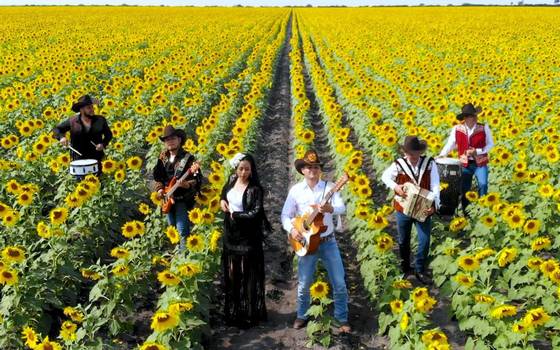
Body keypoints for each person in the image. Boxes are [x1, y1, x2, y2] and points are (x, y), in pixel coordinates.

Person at [280, 150, 350, 333]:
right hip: (306, 243)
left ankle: (341, 318)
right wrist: (293, 229)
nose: (312, 170)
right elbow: (285, 215)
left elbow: (341, 207)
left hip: (328, 242)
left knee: (339, 282)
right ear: (302, 170)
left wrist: (330, 208)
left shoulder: (330, 187)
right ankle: (302, 315)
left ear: (320, 170)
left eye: (316, 167)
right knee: (303, 284)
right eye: (309, 167)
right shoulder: (295, 191)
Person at [219, 153, 270, 328]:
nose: (243, 172)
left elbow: (255, 212)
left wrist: (235, 214)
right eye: (241, 168)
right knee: (233, 274)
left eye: (247, 169)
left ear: (252, 169)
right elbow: (223, 194)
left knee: (248, 274)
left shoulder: (255, 189)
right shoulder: (232, 180)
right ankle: (235, 311)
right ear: (236, 169)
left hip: (248, 237)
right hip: (231, 235)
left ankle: (250, 313)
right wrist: (222, 202)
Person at [381, 136, 440, 285]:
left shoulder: (429, 164)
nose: (413, 157)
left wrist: (434, 205)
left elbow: (435, 185)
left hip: (423, 208)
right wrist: (395, 187)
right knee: (403, 240)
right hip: (403, 209)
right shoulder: (399, 164)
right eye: (410, 154)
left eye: (416, 154)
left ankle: (420, 269)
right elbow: (385, 177)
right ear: (405, 153)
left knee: (425, 240)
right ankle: (406, 269)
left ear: (420, 152)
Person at [153, 125, 202, 249]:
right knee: (172, 230)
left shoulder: (188, 158)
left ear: (179, 140)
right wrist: (159, 189)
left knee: (182, 230)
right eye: (167, 139)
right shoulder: (162, 157)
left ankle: (184, 257)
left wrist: (186, 184)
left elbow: (197, 179)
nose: (170, 141)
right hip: (167, 198)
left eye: (173, 138)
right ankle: (176, 256)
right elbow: (157, 176)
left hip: (182, 199)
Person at [439, 103, 494, 212]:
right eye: (471, 116)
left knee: (483, 184)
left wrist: (478, 151)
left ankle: (483, 209)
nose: (474, 118)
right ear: (465, 118)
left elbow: (490, 144)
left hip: (480, 163)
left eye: (475, 115)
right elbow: (450, 143)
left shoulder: (483, 127)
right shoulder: (457, 129)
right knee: (464, 189)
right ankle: (466, 211)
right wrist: (442, 154)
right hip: (465, 164)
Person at [53, 94, 113, 175]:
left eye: (92, 107)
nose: (92, 109)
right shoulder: (72, 121)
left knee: (99, 184)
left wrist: (103, 144)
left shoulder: (100, 120)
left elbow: (108, 135)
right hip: (78, 161)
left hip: (97, 159)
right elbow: (57, 129)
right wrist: (61, 138)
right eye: (89, 108)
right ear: (81, 110)